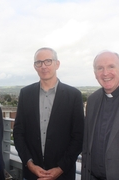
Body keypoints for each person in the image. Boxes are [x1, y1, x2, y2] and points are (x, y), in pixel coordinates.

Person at [13, 47, 84, 180]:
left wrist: (60, 168)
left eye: (48, 61)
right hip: (32, 174)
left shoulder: (74, 95)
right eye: (39, 63)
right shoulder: (25, 94)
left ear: (57, 64)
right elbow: (18, 132)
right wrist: (30, 164)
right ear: (35, 67)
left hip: (63, 174)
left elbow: (78, 136)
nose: (43, 66)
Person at [81, 51, 119, 180]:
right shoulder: (93, 100)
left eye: (111, 67)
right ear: (95, 74)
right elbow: (86, 144)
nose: (105, 73)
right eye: (100, 68)